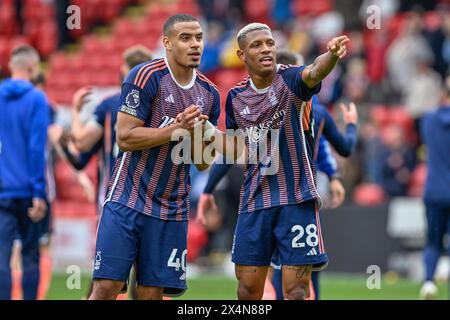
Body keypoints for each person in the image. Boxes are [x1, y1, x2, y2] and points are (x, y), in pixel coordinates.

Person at [207, 23, 349, 300]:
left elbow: (314, 70)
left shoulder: (290, 80)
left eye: (269, 43)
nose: (266, 49)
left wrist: (331, 55)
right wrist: (208, 134)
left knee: (296, 291)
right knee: (247, 291)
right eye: (257, 45)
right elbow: (238, 150)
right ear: (241, 54)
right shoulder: (236, 97)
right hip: (254, 203)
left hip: (296, 200)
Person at [89, 14, 220, 300]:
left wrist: (197, 135)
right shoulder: (145, 76)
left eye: (198, 38)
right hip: (127, 198)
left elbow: (203, 162)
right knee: (106, 287)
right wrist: (178, 129)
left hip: (171, 209)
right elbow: (125, 137)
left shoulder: (210, 93)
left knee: (151, 294)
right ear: (167, 43)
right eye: (185, 38)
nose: (194, 44)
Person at [66, 45, 153, 299]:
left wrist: (74, 111)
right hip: (151, 198)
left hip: (114, 197)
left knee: (106, 273)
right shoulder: (159, 104)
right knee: (146, 275)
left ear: (125, 71)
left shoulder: (110, 104)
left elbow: (81, 142)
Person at [0, 45, 50, 300]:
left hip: (2, 191)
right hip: (29, 191)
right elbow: (35, 148)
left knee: (2, 256)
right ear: (33, 68)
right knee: (30, 254)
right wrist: (39, 192)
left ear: (11, 66)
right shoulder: (37, 99)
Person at [419, 76, 450, 300]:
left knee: (432, 240)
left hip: (435, 190)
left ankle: (429, 282)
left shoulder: (428, 120)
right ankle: (446, 265)